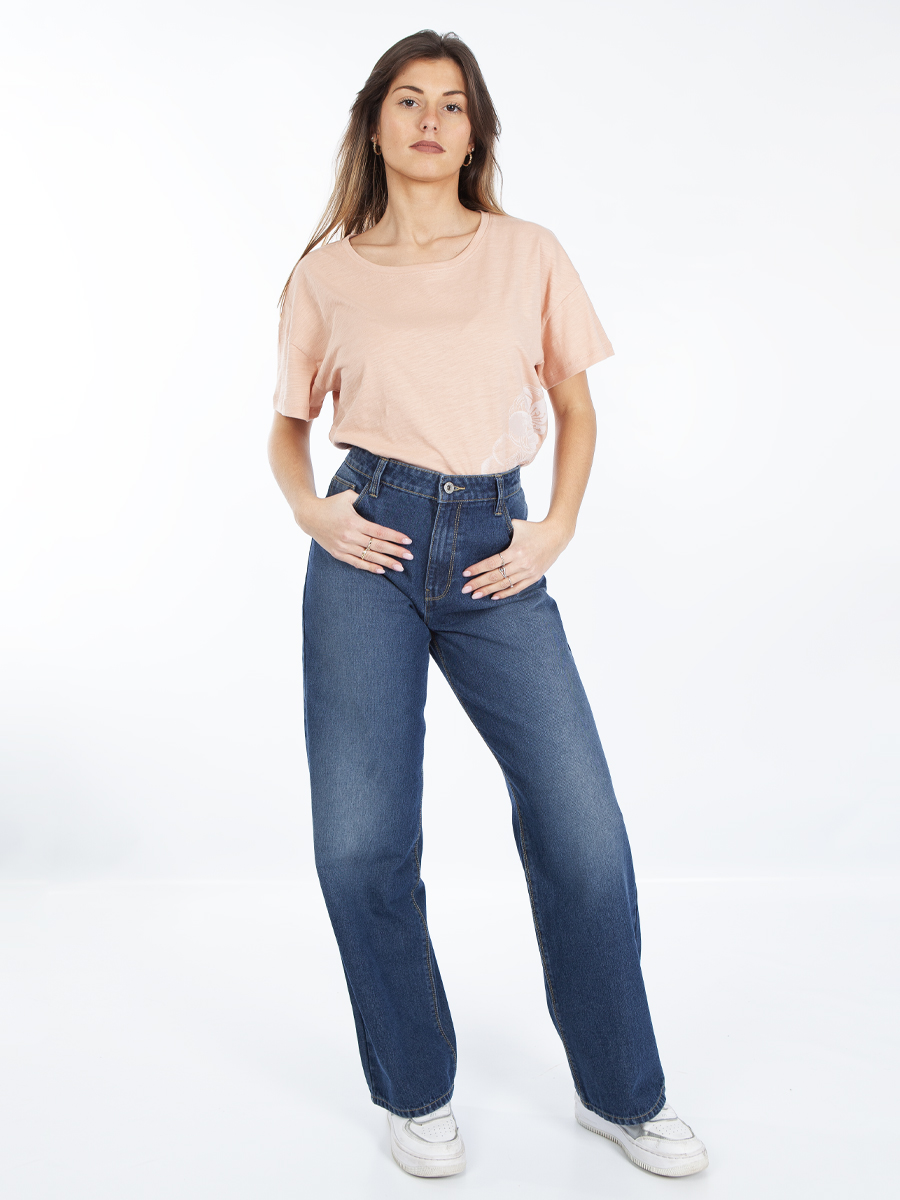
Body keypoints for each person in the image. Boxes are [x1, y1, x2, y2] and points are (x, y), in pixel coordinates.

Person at [267, 28, 708, 1181]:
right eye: (409, 101)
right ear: (374, 125)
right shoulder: (325, 274)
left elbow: (577, 407)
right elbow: (287, 428)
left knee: (582, 830)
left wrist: (553, 529)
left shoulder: (528, 253)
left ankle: (623, 1094)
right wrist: (311, 511)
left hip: (493, 548)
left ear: (476, 132)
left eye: (453, 104)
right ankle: (415, 1090)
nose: (430, 120)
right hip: (365, 540)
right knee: (359, 842)